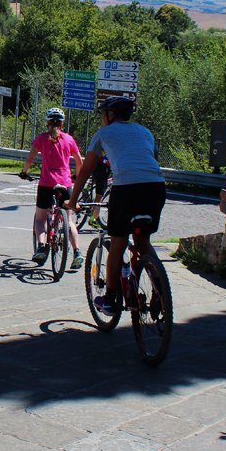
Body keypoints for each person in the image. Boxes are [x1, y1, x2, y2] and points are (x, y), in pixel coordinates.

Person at [67, 95, 166, 315]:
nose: (102, 117)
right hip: (156, 187)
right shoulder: (145, 131)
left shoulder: (104, 134)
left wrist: (73, 201)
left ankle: (111, 298)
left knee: (119, 243)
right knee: (142, 240)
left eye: (103, 113)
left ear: (110, 115)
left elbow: (86, 170)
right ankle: (162, 290)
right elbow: (150, 159)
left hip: (127, 189)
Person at [20, 107, 84, 269]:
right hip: (65, 183)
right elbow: (79, 162)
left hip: (47, 183)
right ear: (62, 124)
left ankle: (41, 247)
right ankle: (77, 252)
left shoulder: (42, 138)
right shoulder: (69, 139)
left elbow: (30, 159)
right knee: (69, 220)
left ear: (48, 123)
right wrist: (76, 175)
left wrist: (24, 172)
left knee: (40, 218)